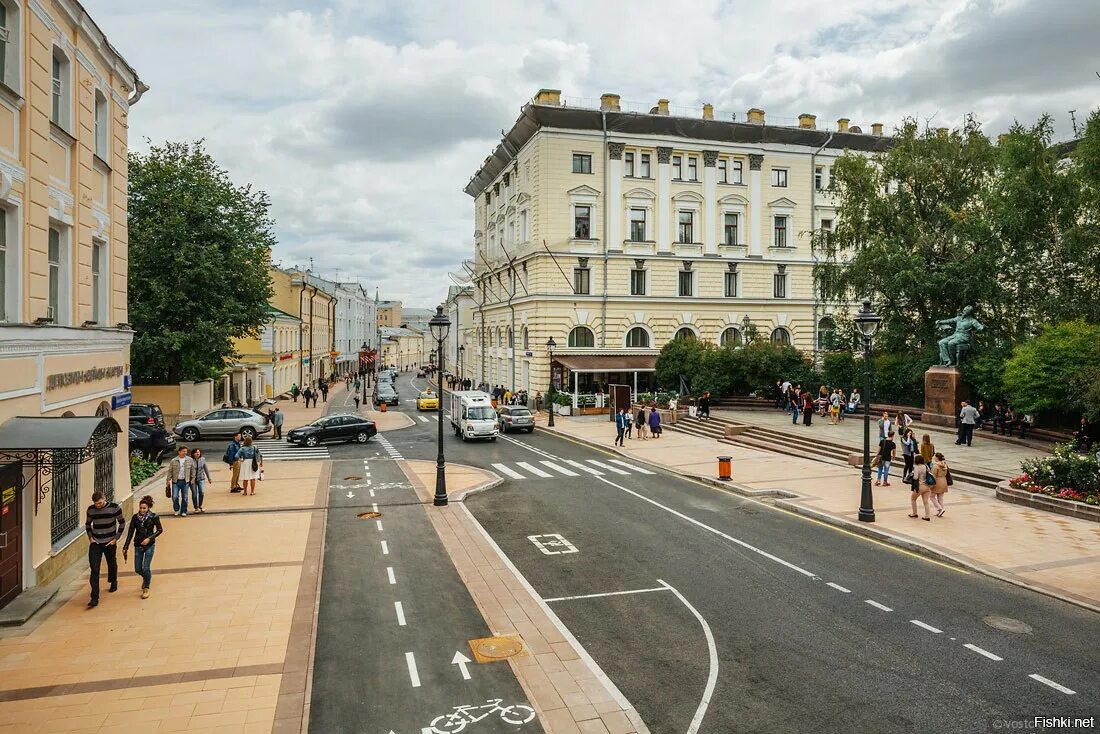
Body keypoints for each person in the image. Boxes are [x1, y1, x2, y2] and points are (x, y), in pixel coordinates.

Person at [84, 490, 125, 608]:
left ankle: (113, 581)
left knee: (111, 563)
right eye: (96, 504)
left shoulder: (115, 508)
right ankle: (94, 597)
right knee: (94, 569)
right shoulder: (91, 509)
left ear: (105, 498)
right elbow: (88, 524)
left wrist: (116, 539)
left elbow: (122, 523)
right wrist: (90, 537)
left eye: (100, 503)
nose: (98, 506)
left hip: (110, 542)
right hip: (96, 542)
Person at [122, 495, 163, 599]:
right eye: (140, 508)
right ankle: (147, 577)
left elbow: (159, 530)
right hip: (138, 545)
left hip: (149, 545)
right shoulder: (135, 518)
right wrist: (125, 546)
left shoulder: (154, 517)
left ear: (148, 508)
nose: (142, 510)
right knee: (138, 569)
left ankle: (146, 587)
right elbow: (130, 532)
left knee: (146, 567)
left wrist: (149, 538)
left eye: (144, 508)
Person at [166, 446, 195, 517]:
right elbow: (170, 471)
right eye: (183, 451)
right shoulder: (174, 460)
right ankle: (176, 509)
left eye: (186, 451)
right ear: (179, 452)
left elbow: (193, 470)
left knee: (185, 497)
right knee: (175, 496)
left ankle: (183, 511)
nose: (185, 453)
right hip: (176, 481)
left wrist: (193, 478)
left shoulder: (190, 460)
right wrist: (168, 480)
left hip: (185, 481)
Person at [190, 447, 211, 513]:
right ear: (193, 454)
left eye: (198, 452)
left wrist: (209, 478)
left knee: (201, 492)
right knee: (194, 493)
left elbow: (206, 469)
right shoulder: (190, 460)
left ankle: (200, 505)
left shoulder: (202, 459)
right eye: (196, 452)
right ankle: (196, 507)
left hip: (201, 478)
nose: (198, 453)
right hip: (192, 479)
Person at [930, 452, 950, 516]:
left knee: (932, 496)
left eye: (935, 457)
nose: (934, 458)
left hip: (937, 482)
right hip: (944, 481)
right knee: (940, 497)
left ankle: (939, 509)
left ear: (937, 458)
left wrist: (931, 484)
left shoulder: (935, 466)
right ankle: (941, 510)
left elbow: (933, 475)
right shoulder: (945, 465)